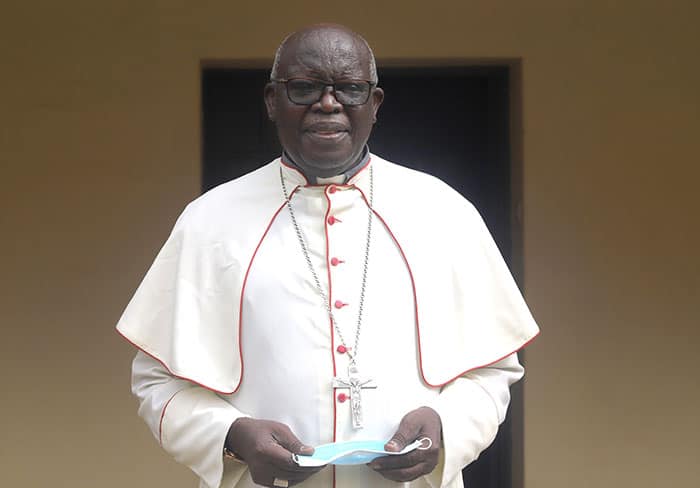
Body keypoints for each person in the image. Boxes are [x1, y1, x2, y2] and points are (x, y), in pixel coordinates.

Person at [117, 24, 539, 488]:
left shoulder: (443, 211)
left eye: (350, 89)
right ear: (271, 100)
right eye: (304, 88)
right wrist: (231, 435)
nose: (328, 103)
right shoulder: (209, 221)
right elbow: (158, 383)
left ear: (374, 104)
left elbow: (494, 370)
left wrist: (447, 423)